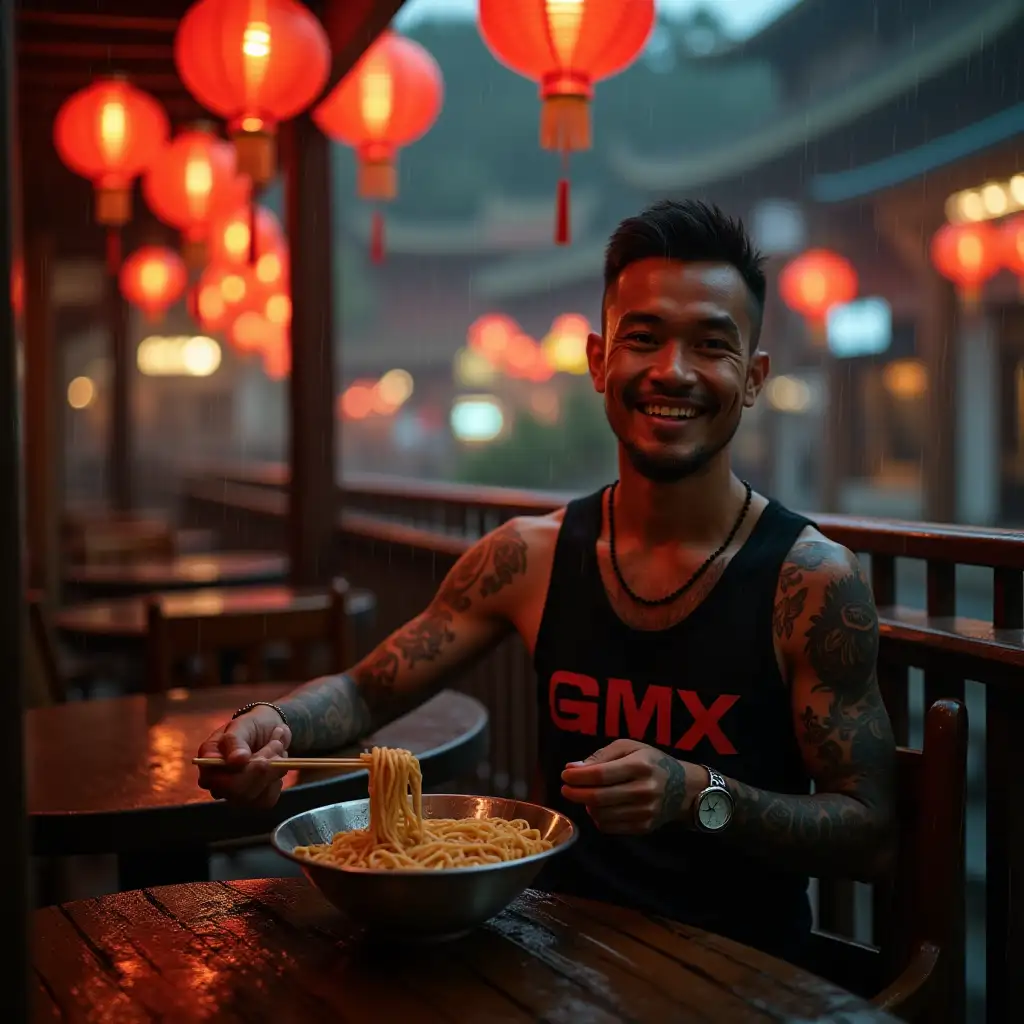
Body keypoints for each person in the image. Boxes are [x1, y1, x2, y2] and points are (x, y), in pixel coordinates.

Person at [198, 200, 896, 965]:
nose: (673, 370)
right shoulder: (529, 558)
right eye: (644, 339)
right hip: (554, 957)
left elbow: (869, 832)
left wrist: (700, 795)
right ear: (599, 361)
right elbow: (369, 692)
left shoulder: (809, 581)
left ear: (753, 378)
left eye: (711, 345)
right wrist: (277, 724)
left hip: (741, 973)